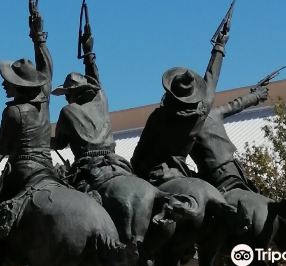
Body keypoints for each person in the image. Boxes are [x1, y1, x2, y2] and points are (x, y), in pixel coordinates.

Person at [130, 26, 230, 186]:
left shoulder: (158, 116)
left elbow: (139, 153)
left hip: (156, 176)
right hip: (182, 173)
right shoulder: (201, 111)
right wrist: (220, 46)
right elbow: (211, 79)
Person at [50, 20, 132, 192]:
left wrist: (39, 140)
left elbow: (58, 144)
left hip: (88, 166)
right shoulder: (101, 99)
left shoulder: (67, 111)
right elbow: (95, 79)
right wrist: (88, 52)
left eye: (67, 94)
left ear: (72, 93)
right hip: (115, 161)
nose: (66, 99)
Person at [0, 1, 54, 202]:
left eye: (8, 81)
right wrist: (39, 38)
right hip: (48, 168)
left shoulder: (13, 112)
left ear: (18, 84)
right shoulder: (44, 100)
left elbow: (2, 149)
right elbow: (46, 68)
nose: (4, 84)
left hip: (22, 172)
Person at [190, 87, 269, 193]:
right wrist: (256, 95)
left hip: (212, 181)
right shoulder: (214, 114)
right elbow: (237, 104)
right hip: (233, 172)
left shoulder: (184, 131)